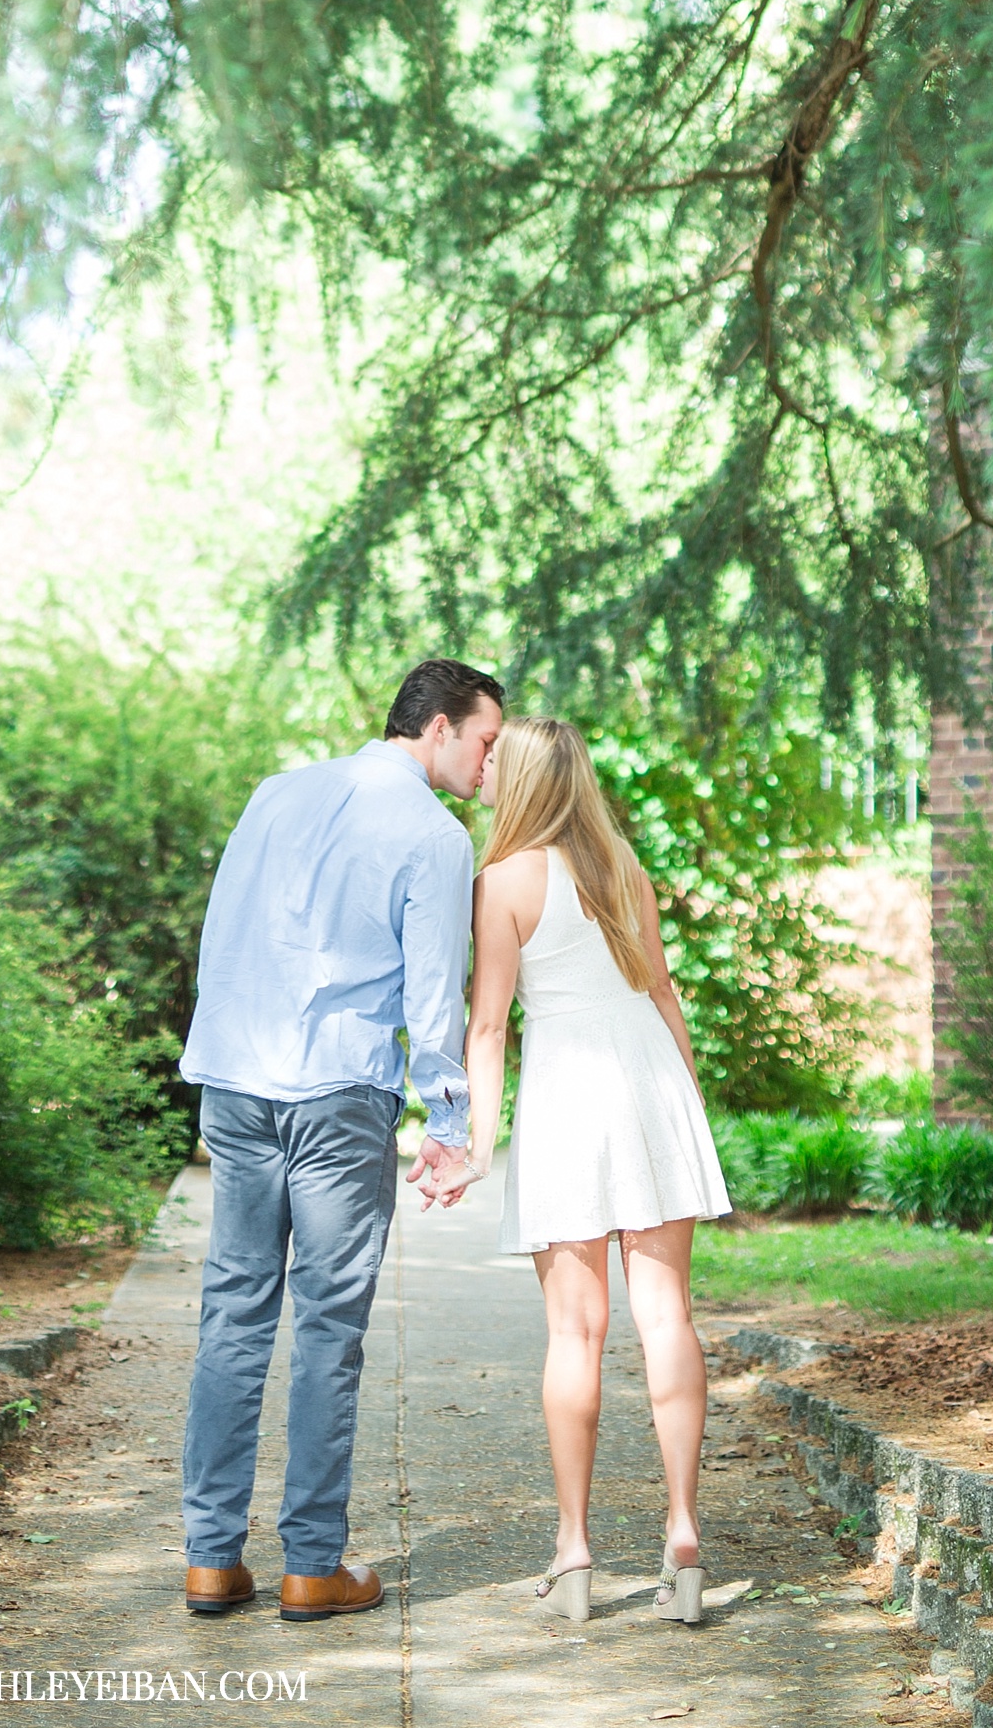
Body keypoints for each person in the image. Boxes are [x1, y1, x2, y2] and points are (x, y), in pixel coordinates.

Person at [176, 658, 504, 1622]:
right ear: (438, 727)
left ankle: (208, 1558)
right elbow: (431, 994)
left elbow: (222, 933)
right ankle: (312, 1566)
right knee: (327, 1326)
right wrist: (447, 1126)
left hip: (237, 1082)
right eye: (484, 741)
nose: (488, 764)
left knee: (232, 1313)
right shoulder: (432, 835)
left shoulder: (277, 792)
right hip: (335, 1096)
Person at [453, 716, 730, 1626]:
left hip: (570, 1095)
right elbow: (660, 991)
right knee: (667, 1318)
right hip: (648, 1083)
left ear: (526, 777)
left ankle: (574, 1555)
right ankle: (682, 1536)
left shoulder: (503, 878)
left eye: (497, 758)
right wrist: (686, 1110)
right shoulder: (623, 867)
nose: (483, 767)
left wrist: (475, 1142)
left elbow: (489, 1028)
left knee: (575, 1336)